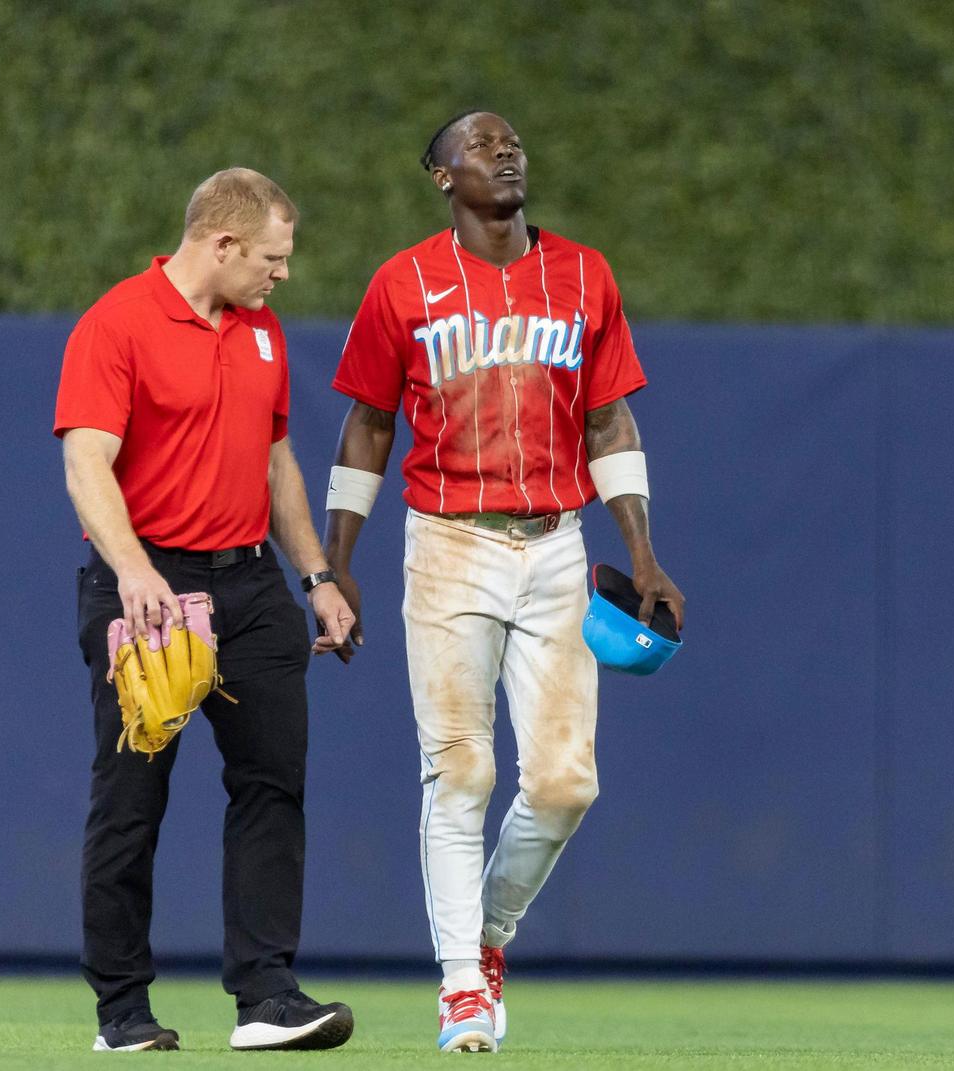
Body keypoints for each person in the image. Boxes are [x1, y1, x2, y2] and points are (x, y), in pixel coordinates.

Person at [324, 112, 685, 1053]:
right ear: (442, 177)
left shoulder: (584, 274)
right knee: (463, 768)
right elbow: (367, 424)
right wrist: (337, 561)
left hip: (557, 545)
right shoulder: (402, 282)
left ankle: (483, 936)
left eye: (512, 139)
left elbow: (609, 424)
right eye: (480, 144)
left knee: (567, 784)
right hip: (448, 542)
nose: (505, 149)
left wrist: (641, 551)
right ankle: (459, 990)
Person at [54, 168, 356, 1053]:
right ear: (222, 245)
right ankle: (121, 1011)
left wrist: (318, 576)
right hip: (146, 587)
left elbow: (277, 461)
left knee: (273, 782)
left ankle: (266, 997)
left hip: (252, 583)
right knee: (132, 800)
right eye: (272, 257)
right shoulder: (117, 324)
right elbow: (87, 462)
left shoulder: (262, 333)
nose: (282, 275)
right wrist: (137, 570)